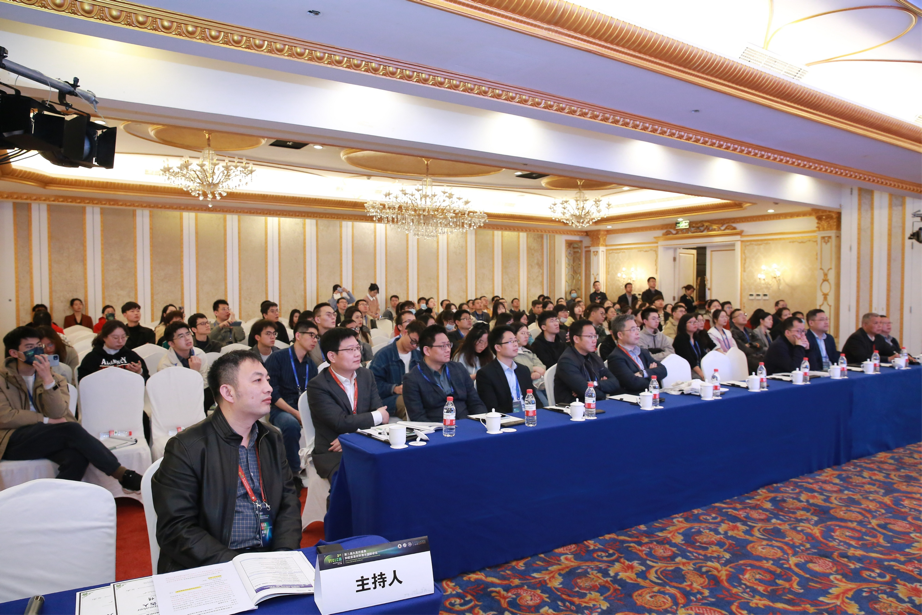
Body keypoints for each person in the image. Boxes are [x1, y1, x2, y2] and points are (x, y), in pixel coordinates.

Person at [152, 350, 301, 573]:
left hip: (268, 559)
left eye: (268, 379)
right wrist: (238, 567)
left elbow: (289, 502)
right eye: (258, 380)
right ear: (228, 392)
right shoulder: (187, 447)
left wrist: (283, 554)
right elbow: (176, 528)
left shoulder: (271, 438)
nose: (269, 388)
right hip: (214, 565)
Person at [1, 326, 143, 490]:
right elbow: (5, 416)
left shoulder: (55, 379)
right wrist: (45, 420)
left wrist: (47, 381)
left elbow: (58, 413)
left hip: (47, 436)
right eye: (29, 347)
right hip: (11, 441)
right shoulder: (2, 379)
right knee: (70, 428)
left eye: (39, 346)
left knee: (77, 458)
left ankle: (56, 500)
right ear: (14, 353)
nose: (37, 351)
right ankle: (122, 474)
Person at [306, 328, 389, 481]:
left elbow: (382, 418)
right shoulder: (318, 386)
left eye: (358, 348)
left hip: (365, 442)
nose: (357, 354)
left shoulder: (366, 375)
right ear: (332, 356)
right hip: (333, 451)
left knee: (394, 468)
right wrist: (376, 416)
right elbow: (340, 422)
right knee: (356, 480)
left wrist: (354, 437)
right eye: (350, 350)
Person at [265, 319, 319, 483]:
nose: (315, 340)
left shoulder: (311, 364)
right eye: (311, 335)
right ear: (298, 336)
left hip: (304, 408)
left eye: (316, 337)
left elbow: (314, 393)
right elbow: (272, 393)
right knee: (290, 424)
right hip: (281, 408)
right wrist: (296, 413)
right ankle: (293, 473)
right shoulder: (277, 358)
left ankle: (318, 467)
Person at [403, 325, 487, 422]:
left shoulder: (458, 369)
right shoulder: (413, 379)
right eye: (442, 346)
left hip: (466, 424)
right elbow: (418, 417)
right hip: (437, 427)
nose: (448, 350)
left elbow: (475, 403)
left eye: (448, 345)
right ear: (427, 350)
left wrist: (480, 422)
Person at [476, 325, 544, 414]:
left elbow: (535, 400)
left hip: (529, 416)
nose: (515, 344)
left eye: (515, 340)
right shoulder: (486, 374)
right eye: (511, 341)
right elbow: (492, 408)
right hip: (507, 418)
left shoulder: (523, 370)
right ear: (498, 347)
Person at [369, 315, 424, 419]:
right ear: (405, 332)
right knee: (409, 403)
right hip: (388, 399)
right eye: (413, 341)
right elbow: (372, 385)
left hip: (413, 396)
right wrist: (394, 388)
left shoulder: (419, 356)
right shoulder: (383, 355)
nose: (414, 346)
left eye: (418, 344)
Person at [553, 319, 621, 403]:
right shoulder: (567, 361)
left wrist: (595, 384)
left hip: (596, 404)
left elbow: (615, 383)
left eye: (595, 336)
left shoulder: (595, 357)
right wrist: (604, 392)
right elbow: (585, 390)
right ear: (576, 339)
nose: (594, 340)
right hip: (575, 407)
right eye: (590, 336)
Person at [606, 314, 668, 394]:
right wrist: (653, 377)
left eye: (637, 328)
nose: (637, 332)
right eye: (632, 329)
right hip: (632, 398)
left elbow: (663, 370)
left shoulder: (643, 352)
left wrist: (643, 373)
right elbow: (633, 383)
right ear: (620, 335)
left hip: (649, 395)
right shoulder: (616, 357)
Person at [77, 320, 150, 382]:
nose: (120, 341)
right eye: (115, 338)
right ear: (104, 337)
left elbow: (146, 380)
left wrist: (139, 372)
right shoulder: (92, 358)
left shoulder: (131, 355)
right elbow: (84, 382)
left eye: (123, 337)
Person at [510, 321, 548, 405]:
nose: (526, 336)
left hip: (540, 382)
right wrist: (533, 369)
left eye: (528, 333)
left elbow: (542, 367)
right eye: (523, 333)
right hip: (524, 386)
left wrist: (536, 372)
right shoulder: (510, 353)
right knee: (545, 404)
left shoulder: (528, 351)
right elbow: (518, 370)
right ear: (513, 335)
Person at [673, 313, 706, 380]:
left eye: (695, 322)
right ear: (684, 324)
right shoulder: (680, 339)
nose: (694, 324)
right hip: (686, 369)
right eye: (691, 322)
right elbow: (689, 359)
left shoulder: (697, 338)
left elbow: (703, 355)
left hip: (698, 368)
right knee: (699, 378)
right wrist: (701, 374)